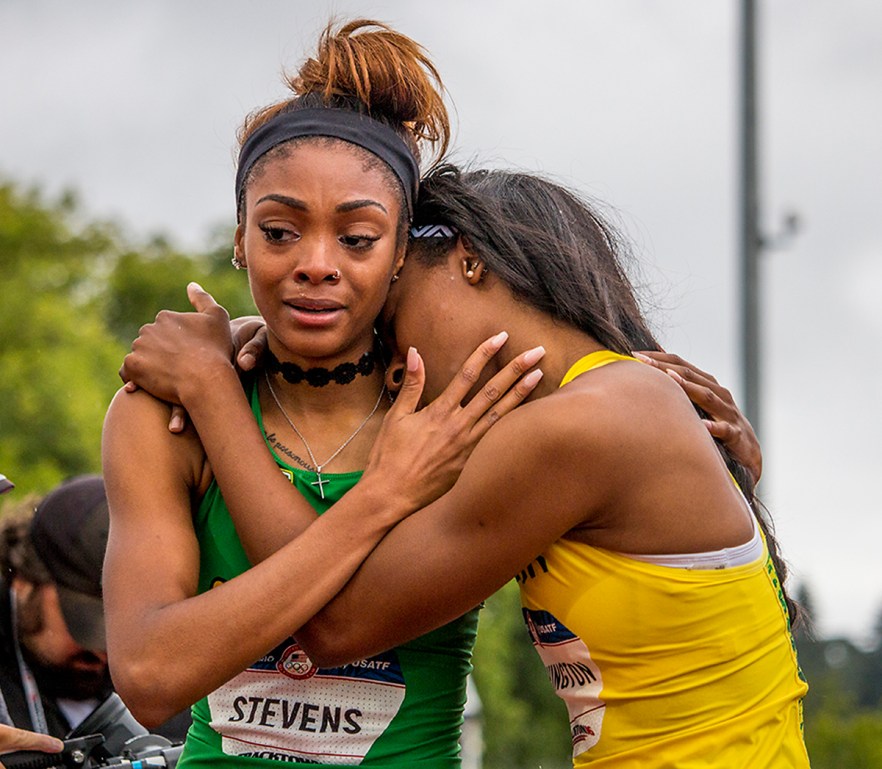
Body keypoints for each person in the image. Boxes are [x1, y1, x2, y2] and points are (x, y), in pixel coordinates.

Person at [122, 163, 807, 767]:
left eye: (390, 319)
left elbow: (332, 623)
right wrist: (259, 338)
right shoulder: (615, 399)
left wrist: (215, 392)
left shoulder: (579, 426)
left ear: (469, 259)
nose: (392, 366)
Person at [102, 19, 543, 769]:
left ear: (403, 250)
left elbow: (606, 410)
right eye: (279, 232)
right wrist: (383, 493)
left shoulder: (462, 410)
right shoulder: (160, 416)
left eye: (358, 238)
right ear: (240, 235)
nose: (315, 264)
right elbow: (150, 675)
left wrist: (657, 382)